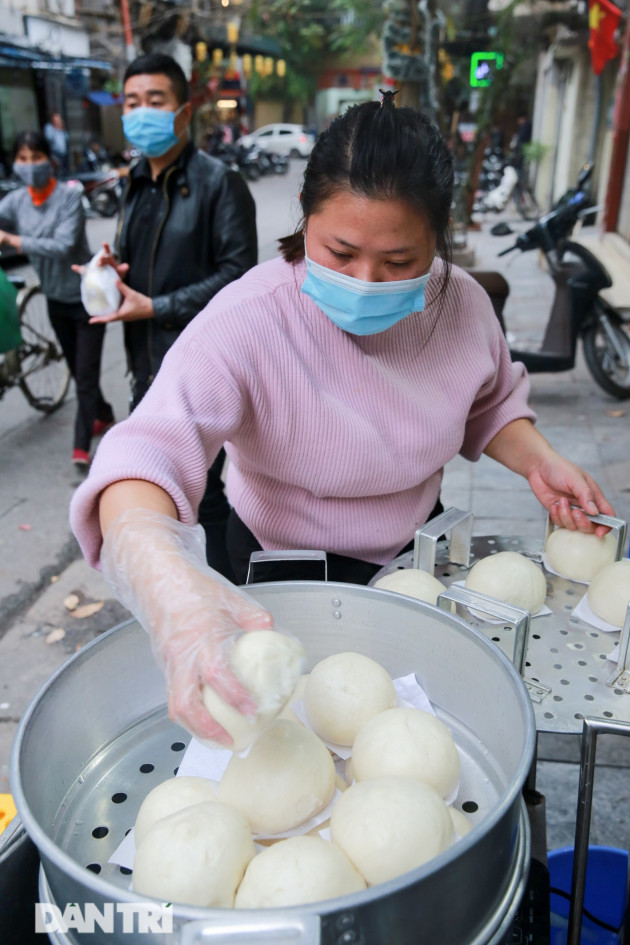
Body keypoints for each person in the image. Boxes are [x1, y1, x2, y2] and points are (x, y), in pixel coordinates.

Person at [70, 93, 615, 746]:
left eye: (399, 262)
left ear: (438, 240)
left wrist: (539, 459)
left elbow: (488, 401)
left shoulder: (460, 304)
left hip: (418, 564)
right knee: (299, 738)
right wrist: (166, 581)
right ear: (305, 220)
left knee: (411, 737)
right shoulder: (249, 318)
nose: (365, 280)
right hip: (287, 571)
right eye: (340, 251)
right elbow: (146, 455)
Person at [87, 53, 258, 578]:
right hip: (146, 366)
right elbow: (143, 261)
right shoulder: (134, 180)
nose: (141, 112)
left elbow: (239, 274)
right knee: (171, 492)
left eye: (154, 101)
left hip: (204, 372)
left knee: (207, 499)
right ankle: (194, 590)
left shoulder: (219, 183)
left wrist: (157, 306)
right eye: (132, 102)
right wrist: (110, 268)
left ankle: (244, 600)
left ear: (183, 112)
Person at [0, 130, 114, 465]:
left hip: (89, 298)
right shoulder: (17, 201)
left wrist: (13, 240)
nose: (30, 165)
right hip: (54, 299)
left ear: (50, 161)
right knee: (79, 370)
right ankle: (103, 413)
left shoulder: (68, 199)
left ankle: (81, 445)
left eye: (36, 157)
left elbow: (62, 247)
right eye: (23, 158)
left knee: (86, 374)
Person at [44, 112, 70, 176]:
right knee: (57, 170)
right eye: (56, 119)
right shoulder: (49, 127)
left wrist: (63, 129)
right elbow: (49, 138)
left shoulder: (61, 128)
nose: (58, 121)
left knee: (65, 170)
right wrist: (56, 129)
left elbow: (67, 138)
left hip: (63, 153)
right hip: (55, 153)